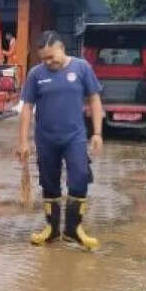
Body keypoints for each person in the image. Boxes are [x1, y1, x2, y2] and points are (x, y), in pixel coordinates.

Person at [15, 31, 104, 249]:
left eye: (51, 57)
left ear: (62, 48)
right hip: (46, 139)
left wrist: (97, 132)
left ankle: (73, 229)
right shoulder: (36, 74)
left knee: (80, 178)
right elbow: (26, 107)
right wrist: (23, 141)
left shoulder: (82, 68)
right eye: (43, 58)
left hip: (74, 138)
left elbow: (94, 98)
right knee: (49, 182)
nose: (48, 62)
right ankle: (52, 229)